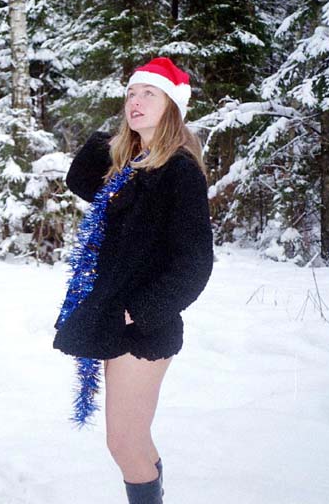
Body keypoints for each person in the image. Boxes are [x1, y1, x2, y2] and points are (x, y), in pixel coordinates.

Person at [53, 57, 214, 504]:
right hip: (120, 318)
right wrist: (125, 136)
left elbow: (195, 264)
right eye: (131, 94)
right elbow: (80, 179)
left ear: (173, 106)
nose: (135, 102)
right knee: (132, 439)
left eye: (149, 94)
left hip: (144, 326)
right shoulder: (132, 167)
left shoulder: (179, 170)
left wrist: (137, 311)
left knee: (123, 443)